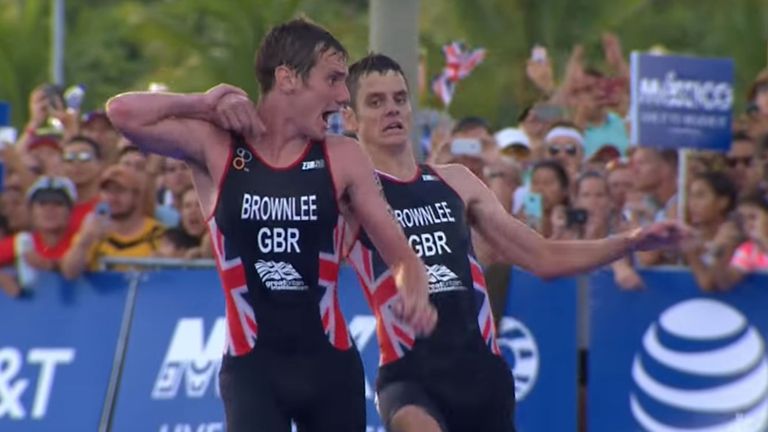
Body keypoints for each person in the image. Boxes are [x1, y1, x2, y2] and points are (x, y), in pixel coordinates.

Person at [106, 18, 436, 432]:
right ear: (287, 78)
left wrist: (415, 288)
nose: (342, 95)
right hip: (252, 373)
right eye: (332, 79)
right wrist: (204, 103)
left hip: (330, 370)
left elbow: (400, 253)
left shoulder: (342, 156)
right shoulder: (218, 146)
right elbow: (120, 113)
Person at [341, 53, 689, 432]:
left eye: (399, 98)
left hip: (482, 378)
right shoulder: (349, 198)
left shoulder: (456, 182)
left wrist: (630, 242)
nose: (391, 110)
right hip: (408, 379)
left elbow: (544, 257)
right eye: (375, 102)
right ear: (350, 118)